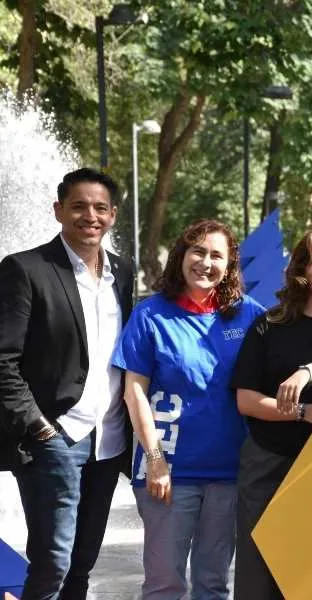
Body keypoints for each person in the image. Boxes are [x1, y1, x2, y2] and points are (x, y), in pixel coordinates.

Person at [111, 219, 264, 600]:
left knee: (213, 585)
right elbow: (134, 393)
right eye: (198, 251)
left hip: (229, 473)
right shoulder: (151, 315)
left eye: (217, 255)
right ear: (182, 256)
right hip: (168, 471)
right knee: (165, 585)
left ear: (229, 266)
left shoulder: (250, 316)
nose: (205, 262)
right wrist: (155, 458)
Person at [0, 168, 134, 600]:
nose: (89, 216)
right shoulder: (26, 269)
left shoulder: (124, 272)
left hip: (109, 439)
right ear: (59, 210)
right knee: (52, 562)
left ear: (113, 215)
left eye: (99, 208)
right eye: (78, 206)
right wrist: (38, 426)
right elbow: (3, 359)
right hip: (55, 436)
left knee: (82, 564)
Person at [230, 225, 312, 599]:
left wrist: (309, 371)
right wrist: (306, 411)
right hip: (268, 461)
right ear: (301, 267)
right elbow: (247, 401)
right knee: (259, 570)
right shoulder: (269, 325)